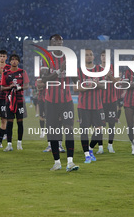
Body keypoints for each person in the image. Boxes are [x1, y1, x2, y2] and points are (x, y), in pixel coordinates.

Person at [38, 34, 79, 171]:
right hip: (51, 101)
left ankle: (70, 162)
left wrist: (71, 69)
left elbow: (75, 80)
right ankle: (57, 162)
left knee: (69, 129)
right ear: (51, 43)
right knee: (53, 132)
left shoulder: (69, 58)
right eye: (56, 42)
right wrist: (59, 70)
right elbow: (44, 79)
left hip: (66, 100)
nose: (59, 44)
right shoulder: (46, 59)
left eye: (60, 41)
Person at [74, 49, 105, 163]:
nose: (89, 56)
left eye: (91, 54)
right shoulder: (79, 71)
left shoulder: (100, 70)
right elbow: (75, 88)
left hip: (97, 105)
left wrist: (97, 84)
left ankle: (90, 149)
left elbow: (103, 86)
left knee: (99, 131)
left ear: (93, 57)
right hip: (83, 106)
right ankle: (87, 155)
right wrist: (90, 86)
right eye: (86, 55)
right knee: (84, 131)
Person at [1, 54, 29, 152]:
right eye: (12, 59)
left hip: (20, 100)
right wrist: (10, 87)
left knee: (20, 122)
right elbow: (2, 87)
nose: (14, 61)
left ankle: (19, 143)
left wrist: (19, 87)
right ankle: (9, 144)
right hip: (9, 101)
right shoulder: (5, 73)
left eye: (16, 59)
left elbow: (27, 86)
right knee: (10, 122)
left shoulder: (22, 72)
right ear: (9, 61)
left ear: (18, 62)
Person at [98, 50, 119, 154]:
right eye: (102, 56)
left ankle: (110, 145)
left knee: (111, 124)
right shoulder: (96, 69)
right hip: (99, 101)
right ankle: (100, 146)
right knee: (99, 124)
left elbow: (118, 83)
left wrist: (110, 76)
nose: (104, 58)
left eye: (106, 56)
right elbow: (94, 82)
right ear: (100, 57)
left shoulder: (114, 68)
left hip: (112, 101)